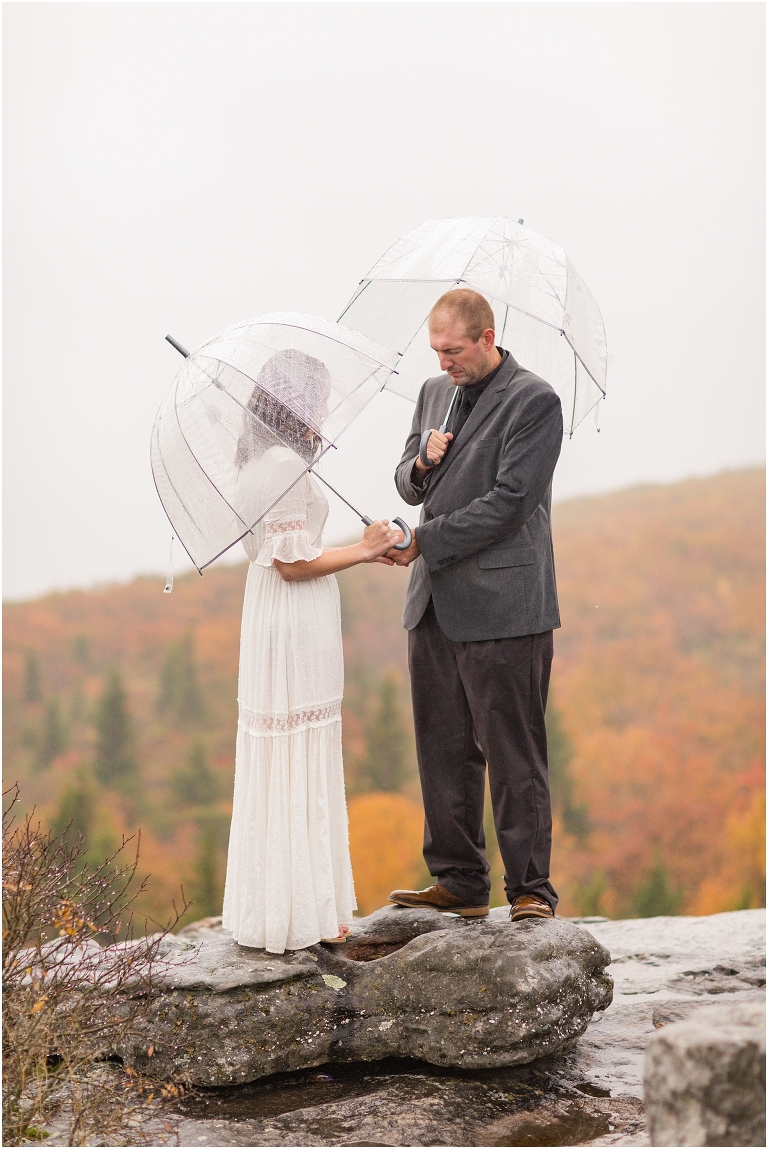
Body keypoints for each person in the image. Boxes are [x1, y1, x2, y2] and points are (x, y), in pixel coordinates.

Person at [385, 289, 563, 922]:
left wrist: (424, 542)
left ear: (487, 338)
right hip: (433, 603)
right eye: (436, 350)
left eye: (453, 350)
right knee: (442, 748)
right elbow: (407, 482)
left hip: (505, 606)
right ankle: (459, 882)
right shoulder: (434, 392)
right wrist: (421, 463)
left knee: (514, 752)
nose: (443, 363)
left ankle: (530, 890)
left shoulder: (535, 401)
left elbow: (510, 503)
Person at [222, 349, 402, 954]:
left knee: (288, 749)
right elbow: (293, 564)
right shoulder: (282, 464)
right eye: (318, 398)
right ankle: (298, 914)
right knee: (297, 747)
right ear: (296, 401)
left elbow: (288, 551)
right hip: (293, 614)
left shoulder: (260, 459)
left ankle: (290, 906)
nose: (324, 408)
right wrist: (367, 548)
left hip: (274, 612)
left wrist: (361, 547)